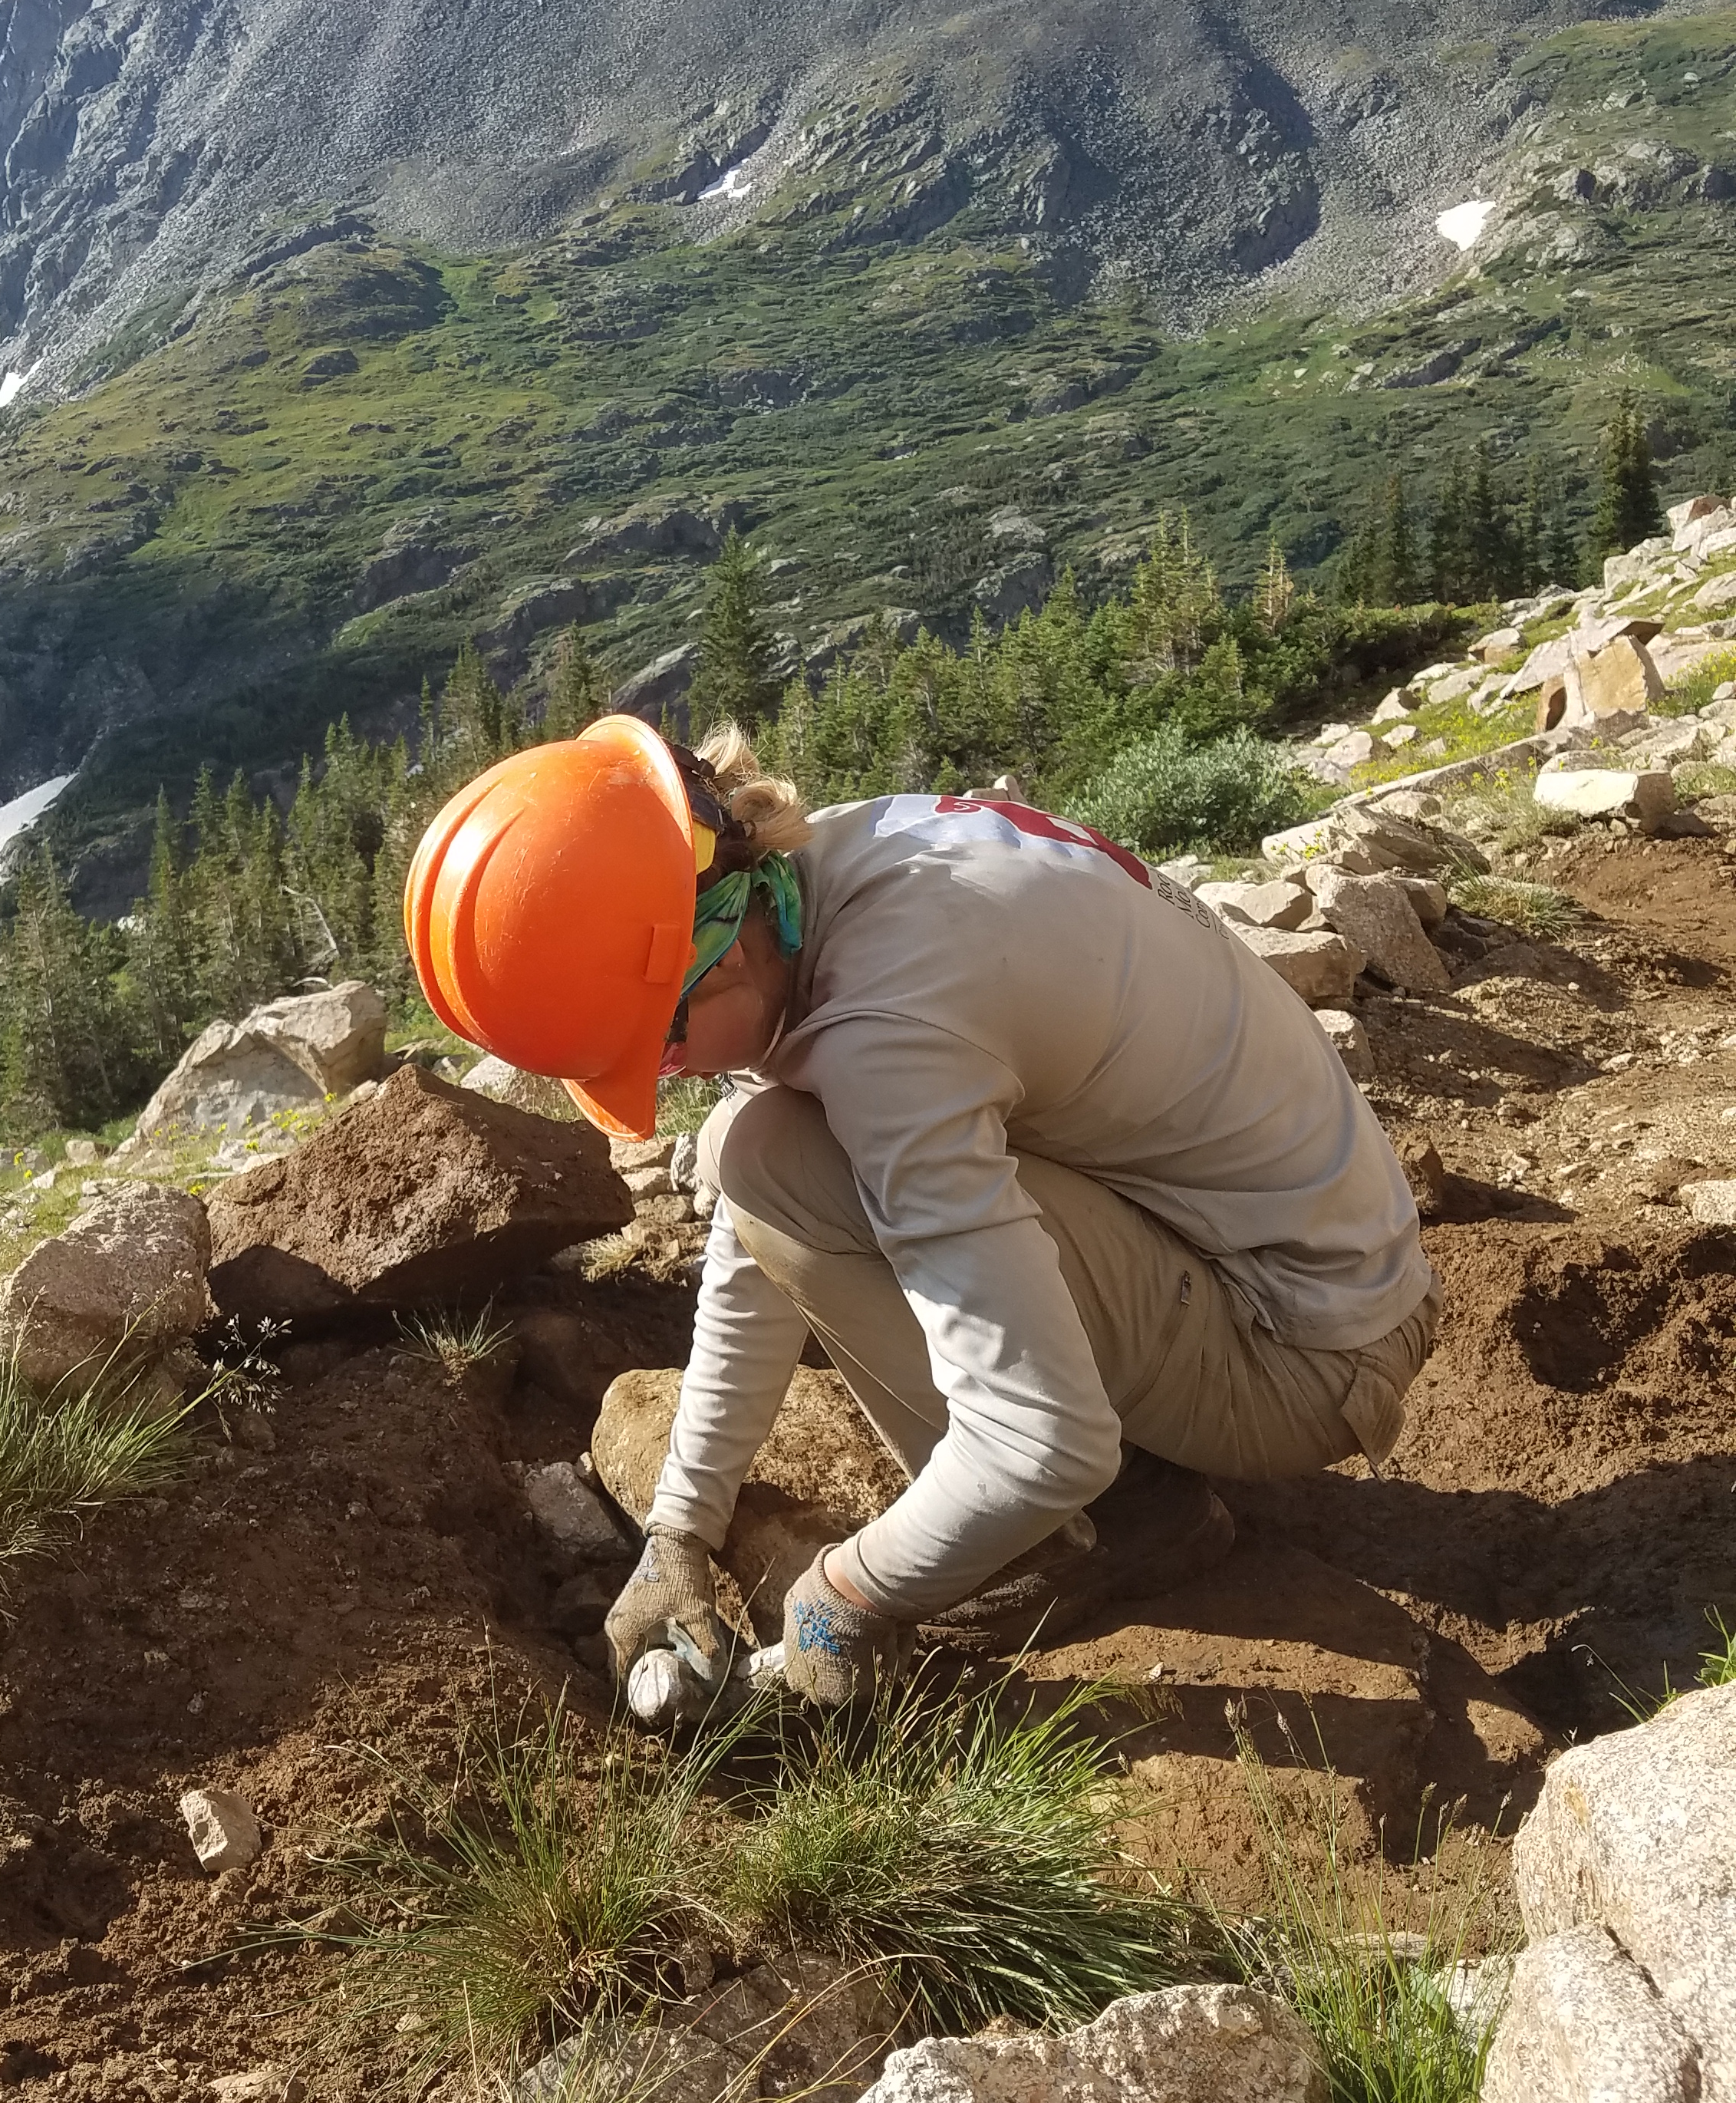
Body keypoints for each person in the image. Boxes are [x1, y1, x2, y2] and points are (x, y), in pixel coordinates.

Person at [404, 713, 1435, 1711]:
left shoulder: (888, 1024)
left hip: (1301, 1353)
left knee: (765, 1156)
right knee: (757, 1149)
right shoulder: (806, 872)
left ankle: (1103, 1530)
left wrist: (839, 1597)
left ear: (717, 951)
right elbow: (760, 1227)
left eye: (659, 1047)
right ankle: (1096, 1484)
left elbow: (1041, 1441)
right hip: (1281, 1256)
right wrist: (682, 1525)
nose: (667, 1079)